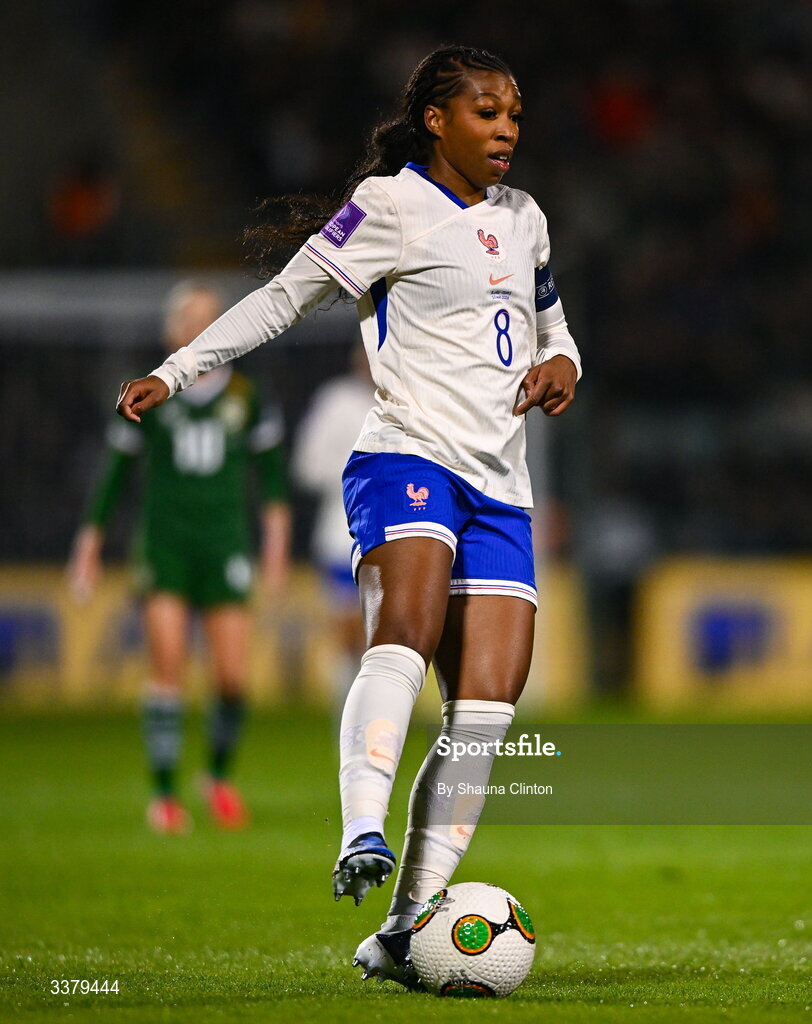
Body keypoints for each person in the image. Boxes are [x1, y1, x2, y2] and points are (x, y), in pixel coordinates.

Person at [115, 46, 580, 986]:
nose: (506, 130)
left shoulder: (523, 219)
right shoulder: (389, 207)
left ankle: (405, 931)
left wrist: (565, 361)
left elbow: (549, 320)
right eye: (486, 112)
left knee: (486, 710)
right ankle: (359, 829)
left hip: (501, 483)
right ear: (437, 120)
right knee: (400, 631)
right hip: (406, 455)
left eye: (516, 115)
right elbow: (284, 298)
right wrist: (176, 369)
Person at [69, 280, 291, 835]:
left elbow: (273, 483)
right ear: (172, 331)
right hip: (166, 541)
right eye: (191, 317)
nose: (202, 325)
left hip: (224, 542)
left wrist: (276, 549)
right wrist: (89, 543)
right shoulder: (150, 393)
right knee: (168, 666)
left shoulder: (247, 395)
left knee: (234, 678)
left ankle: (215, 777)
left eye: (211, 317)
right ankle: (164, 794)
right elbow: (115, 474)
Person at [291, 343, 375, 708]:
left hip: (405, 535)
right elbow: (306, 465)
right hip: (344, 534)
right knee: (349, 636)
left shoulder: (413, 398)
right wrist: (358, 474)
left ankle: (381, 720)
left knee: (388, 637)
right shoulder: (337, 401)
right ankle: (349, 725)